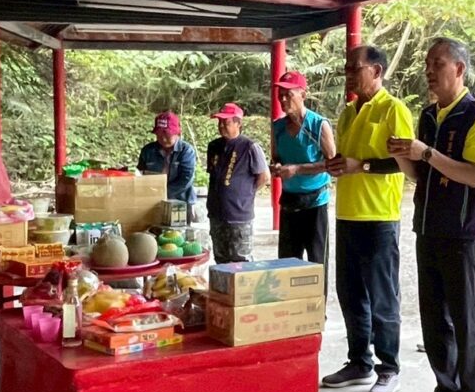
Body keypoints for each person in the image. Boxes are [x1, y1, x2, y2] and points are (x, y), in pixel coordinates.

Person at [389, 38, 475, 392]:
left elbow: (472, 174)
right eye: (427, 64)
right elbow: (421, 175)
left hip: (462, 233)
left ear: (459, 69)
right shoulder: (428, 115)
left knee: (465, 318)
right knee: (433, 316)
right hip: (428, 227)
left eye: (438, 63)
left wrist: (426, 153)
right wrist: (404, 154)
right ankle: (446, 387)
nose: (429, 71)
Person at [321, 45, 414, 392]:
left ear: (376, 71)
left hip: (379, 218)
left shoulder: (394, 110)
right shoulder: (347, 113)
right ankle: (359, 362)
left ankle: (389, 368)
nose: (348, 73)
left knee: (382, 298)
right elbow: (349, 159)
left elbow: (405, 165)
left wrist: (361, 166)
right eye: (346, 67)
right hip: (346, 214)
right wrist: (338, 164)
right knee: (351, 294)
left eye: (354, 68)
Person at [270, 71, 335, 266]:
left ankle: (318, 298)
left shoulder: (318, 125)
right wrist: (277, 167)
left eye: (288, 94)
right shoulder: (277, 127)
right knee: (287, 264)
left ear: (303, 95)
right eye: (280, 94)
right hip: (289, 201)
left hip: (315, 201)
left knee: (317, 263)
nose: (282, 99)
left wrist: (297, 169)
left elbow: (332, 164)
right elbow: (276, 157)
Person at [206, 102, 269, 263]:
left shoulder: (250, 147)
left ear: (238, 123)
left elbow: (264, 176)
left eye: (226, 123)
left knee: (241, 261)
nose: (221, 126)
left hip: (239, 215)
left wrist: (246, 193)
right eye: (220, 122)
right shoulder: (214, 146)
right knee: (220, 259)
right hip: (216, 212)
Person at [136, 111, 197, 210]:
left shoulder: (186, 151)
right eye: (159, 135)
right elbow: (140, 175)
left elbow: (186, 179)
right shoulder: (148, 151)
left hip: (181, 202)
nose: (163, 139)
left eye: (167, 135)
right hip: (152, 202)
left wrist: (163, 193)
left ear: (177, 133)